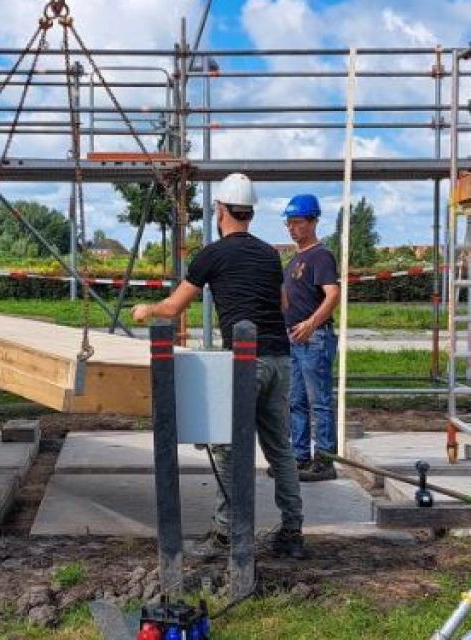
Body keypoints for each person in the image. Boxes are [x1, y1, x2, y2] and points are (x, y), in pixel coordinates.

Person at [134, 173, 307, 559]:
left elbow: (173, 308)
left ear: (222, 211)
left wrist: (146, 309)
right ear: (251, 212)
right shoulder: (269, 254)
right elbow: (282, 305)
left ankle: (227, 532)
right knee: (280, 449)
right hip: (280, 359)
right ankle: (292, 532)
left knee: (228, 446)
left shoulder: (212, 254)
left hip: (247, 362)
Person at [280, 194, 342, 482]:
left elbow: (333, 294)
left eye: (297, 222)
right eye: (289, 223)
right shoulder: (295, 259)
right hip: (294, 338)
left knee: (319, 402)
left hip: (314, 338)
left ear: (313, 221)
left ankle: (325, 460)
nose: (292, 228)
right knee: (296, 401)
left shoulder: (320, 256)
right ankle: (300, 456)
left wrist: (311, 323)